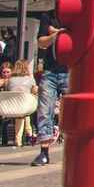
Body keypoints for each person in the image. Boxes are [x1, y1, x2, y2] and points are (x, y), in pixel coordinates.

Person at [30, 12, 68, 166]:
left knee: (77, 110)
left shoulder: (80, 15)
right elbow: (41, 42)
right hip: (50, 70)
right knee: (44, 110)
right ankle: (44, 152)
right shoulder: (47, 17)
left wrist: (55, 31)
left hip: (71, 69)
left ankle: (76, 151)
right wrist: (59, 34)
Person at [5, 59, 38, 147]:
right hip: (24, 107)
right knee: (25, 111)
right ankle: (28, 135)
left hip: (11, 107)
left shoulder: (10, 80)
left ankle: (23, 137)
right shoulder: (30, 80)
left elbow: (7, 91)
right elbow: (35, 92)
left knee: (22, 114)